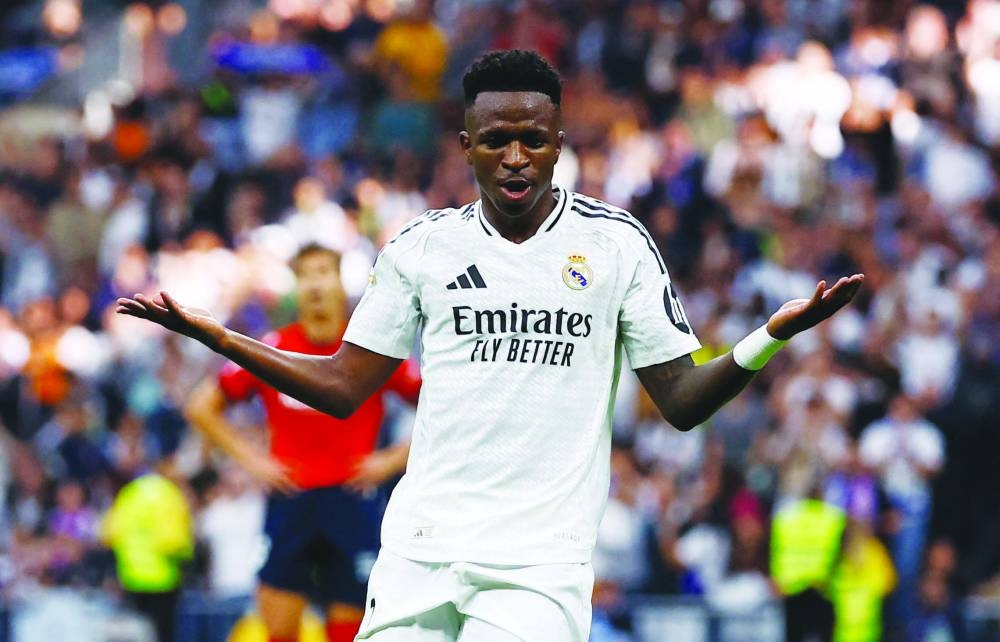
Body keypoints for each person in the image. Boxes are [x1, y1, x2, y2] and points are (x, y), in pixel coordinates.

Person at [116, 50, 864, 642]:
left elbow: (682, 402)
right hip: (420, 546)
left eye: (533, 139)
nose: (515, 156)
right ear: (467, 146)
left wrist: (770, 336)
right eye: (497, 140)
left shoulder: (616, 246)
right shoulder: (421, 247)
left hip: (538, 562)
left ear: (559, 144)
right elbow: (344, 384)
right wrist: (220, 338)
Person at [184, 243, 420, 642]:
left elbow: (439, 406)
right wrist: (253, 461)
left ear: (340, 281)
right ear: (296, 285)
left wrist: (394, 460)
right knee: (278, 628)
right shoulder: (273, 347)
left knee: (350, 630)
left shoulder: (368, 349)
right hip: (290, 499)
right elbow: (201, 406)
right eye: (306, 273)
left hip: (351, 499)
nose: (315, 283)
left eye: (324, 272)